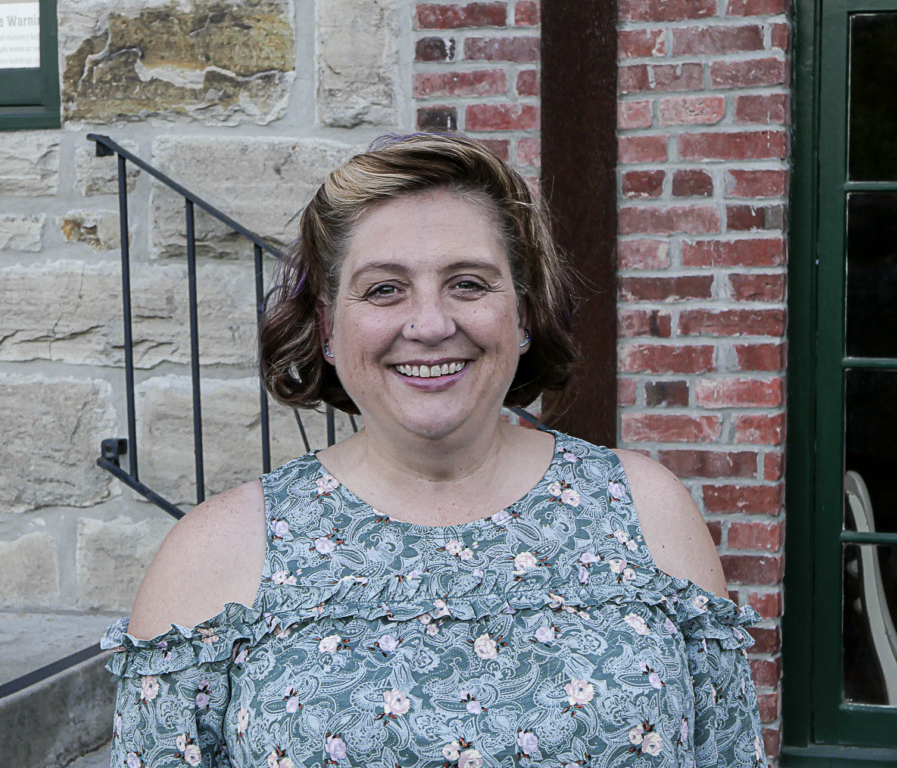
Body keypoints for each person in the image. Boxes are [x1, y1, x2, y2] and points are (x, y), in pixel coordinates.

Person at [102, 133, 765, 768]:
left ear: (525, 314)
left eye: (469, 283)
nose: (429, 324)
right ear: (329, 327)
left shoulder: (645, 513)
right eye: (385, 288)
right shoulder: (216, 555)